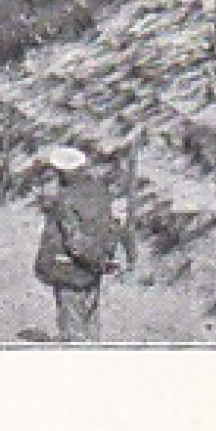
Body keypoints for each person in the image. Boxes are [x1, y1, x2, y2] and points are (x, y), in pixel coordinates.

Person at [32, 146, 135, 342]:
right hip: (95, 268)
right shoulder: (100, 192)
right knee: (91, 320)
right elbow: (112, 226)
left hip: (70, 270)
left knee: (72, 328)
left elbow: (74, 242)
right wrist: (103, 261)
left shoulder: (66, 201)